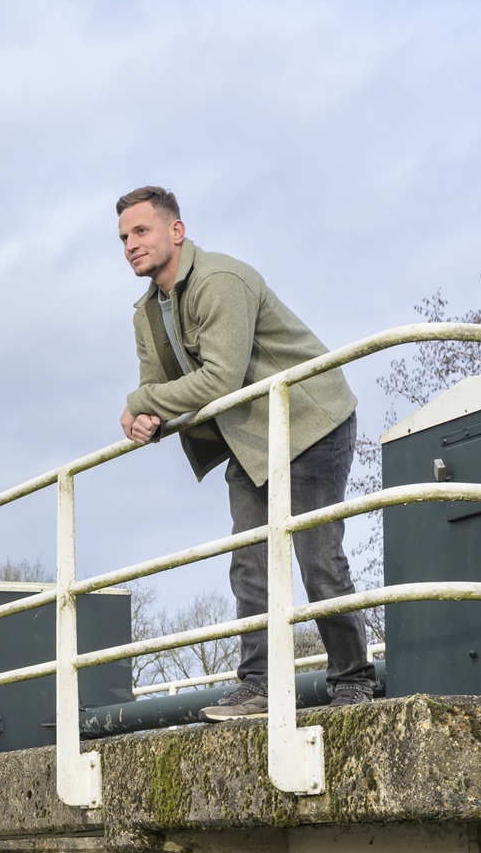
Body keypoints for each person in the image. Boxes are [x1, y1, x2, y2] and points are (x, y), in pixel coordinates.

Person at [114, 186, 376, 720]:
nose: (131, 245)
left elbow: (219, 380)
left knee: (318, 557)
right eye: (123, 237)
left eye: (141, 231)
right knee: (249, 564)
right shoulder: (145, 314)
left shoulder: (220, 280)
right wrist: (146, 419)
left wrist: (141, 404)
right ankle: (258, 685)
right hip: (251, 436)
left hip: (310, 420)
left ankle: (354, 681)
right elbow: (156, 391)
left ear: (176, 231)